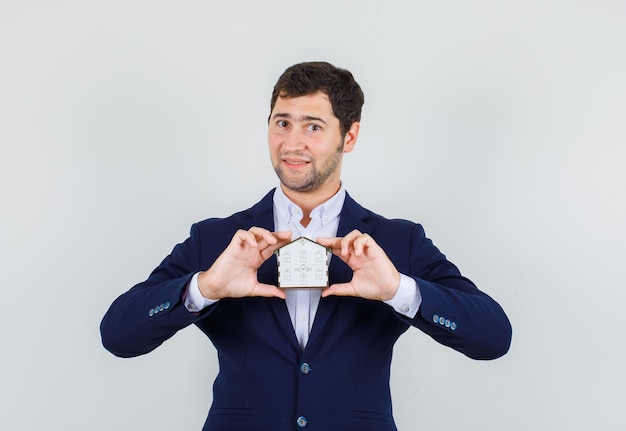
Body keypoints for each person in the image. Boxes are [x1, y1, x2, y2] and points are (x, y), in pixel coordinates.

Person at [100, 61, 512, 431]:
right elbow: (117, 334)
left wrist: (399, 291)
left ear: (348, 137)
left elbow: (493, 337)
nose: (292, 143)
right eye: (282, 123)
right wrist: (204, 287)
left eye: (313, 126)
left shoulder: (396, 241)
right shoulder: (217, 240)